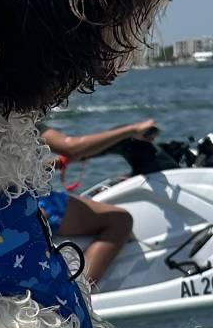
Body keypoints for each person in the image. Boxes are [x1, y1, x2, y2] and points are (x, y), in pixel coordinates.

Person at [38, 118, 158, 288]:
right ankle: (78, 293)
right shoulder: (20, 117)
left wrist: (59, 162)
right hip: (31, 203)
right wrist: (133, 129)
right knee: (120, 220)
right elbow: (71, 147)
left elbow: (13, 169)